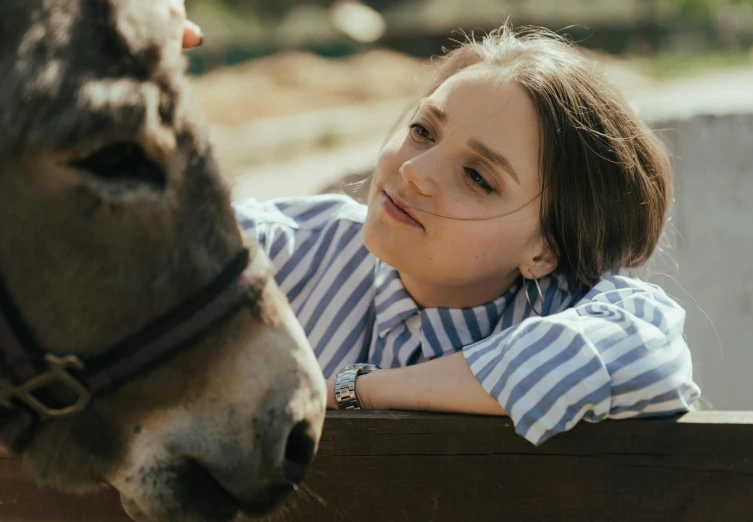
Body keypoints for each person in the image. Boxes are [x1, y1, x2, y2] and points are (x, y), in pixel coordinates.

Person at [180, 12, 700, 446]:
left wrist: (359, 390)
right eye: (423, 130)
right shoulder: (285, 251)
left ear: (544, 252)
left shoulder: (572, 309)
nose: (414, 171)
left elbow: (646, 356)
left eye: (477, 176)